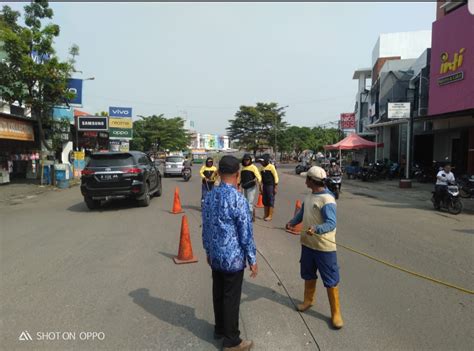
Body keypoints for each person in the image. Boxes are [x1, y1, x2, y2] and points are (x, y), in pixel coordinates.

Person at [202, 155, 258, 351]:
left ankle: (220, 329)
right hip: (233, 258)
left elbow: (206, 227)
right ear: (237, 174)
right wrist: (252, 258)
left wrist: (208, 250)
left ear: (218, 172)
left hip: (215, 256)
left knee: (218, 292)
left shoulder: (209, 196)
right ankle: (232, 340)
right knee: (230, 298)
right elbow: (246, 233)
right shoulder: (238, 199)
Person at [285, 166, 343, 329]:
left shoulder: (327, 200)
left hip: (324, 247)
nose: (305, 181)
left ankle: (336, 313)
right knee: (308, 274)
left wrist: (317, 229)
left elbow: (331, 223)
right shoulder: (310, 196)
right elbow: (302, 213)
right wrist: (292, 222)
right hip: (308, 245)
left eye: (307, 178)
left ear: (312, 180)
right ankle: (308, 301)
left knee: (330, 279)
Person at [239, 154, 262, 222]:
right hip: (244, 187)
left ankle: (250, 216)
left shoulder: (253, 167)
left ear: (250, 160)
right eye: (245, 160)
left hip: (251, 187)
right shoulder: (243, 168)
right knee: (245, 202)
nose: (246, 161)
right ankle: (247, 215)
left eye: (247, 160)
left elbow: (259, 177)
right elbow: (241, 178)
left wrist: (259, 183)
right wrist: (239, 183)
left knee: (249, 202)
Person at [259, 154, 279, 221]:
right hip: (264, 185)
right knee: (265, 200)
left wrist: (275, 186)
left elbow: (276, 176)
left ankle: (270, 215)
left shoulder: (271, 167)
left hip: (271, 185)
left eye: (262, 161)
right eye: (260, 161)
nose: (261, 163)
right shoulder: (261, 168)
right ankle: (265, 214)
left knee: (270, 200)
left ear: (266, 161)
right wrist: (260, 186)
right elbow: (260, 178)